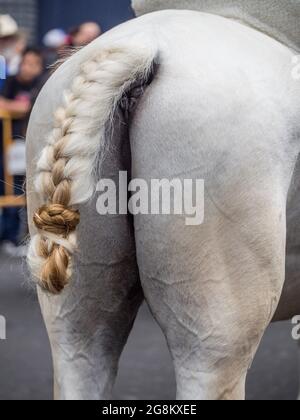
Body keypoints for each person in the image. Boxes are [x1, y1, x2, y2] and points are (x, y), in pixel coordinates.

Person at [0, 47, 45, 256]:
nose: (28, 68)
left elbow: (26, 107)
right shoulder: (9, 80)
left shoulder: (41, 84)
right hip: (7, 145)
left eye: (33, 64)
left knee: (23, 192)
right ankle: (8, 236)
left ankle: (20, 237)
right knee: (8, 189)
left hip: (28, 146)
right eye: (25, 63)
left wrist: (13, 107)